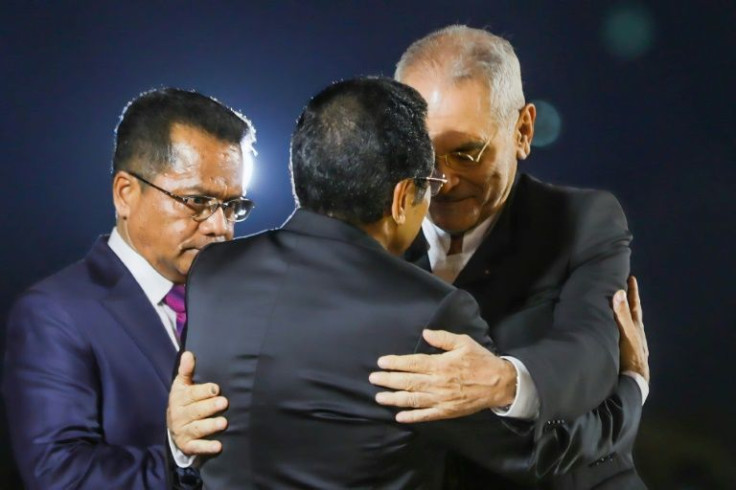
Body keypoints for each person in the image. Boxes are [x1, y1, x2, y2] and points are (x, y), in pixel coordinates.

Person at [170, 77, 646, 489]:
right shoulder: (427, 314)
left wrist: (177, 442)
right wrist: (632, 389)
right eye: (429, 184)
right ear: (403, 198)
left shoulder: (213, 272)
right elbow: (535, 454)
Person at [368, 25, 646, 489]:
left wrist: (501, 380)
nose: (443, 180)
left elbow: (593, 351)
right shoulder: (367, 234)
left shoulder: (581, 220)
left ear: (522, 130)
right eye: (421, 154)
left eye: (466, 154)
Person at [2, 88, 255, 489]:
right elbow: (60, 477)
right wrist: (176, 451)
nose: (220, 227)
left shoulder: (240, 302)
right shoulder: (53, 313)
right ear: (125, 193)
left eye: (232, 206)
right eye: (197, 201)